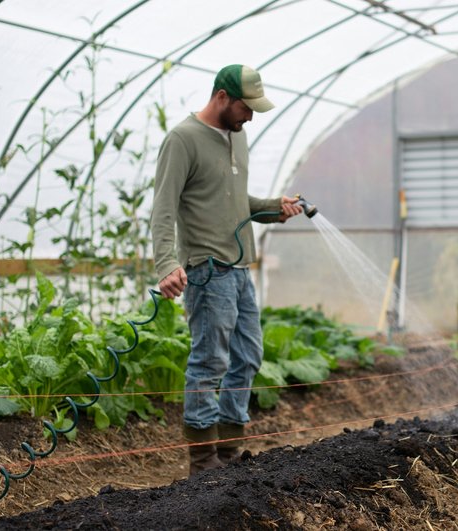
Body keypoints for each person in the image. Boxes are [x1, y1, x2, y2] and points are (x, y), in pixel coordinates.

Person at [150, 64, 303, 476]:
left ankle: (230, 456)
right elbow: (163, 208)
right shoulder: (183, 140)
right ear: (222, 97)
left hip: (239, 270)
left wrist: (275, 208)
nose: (250, 116)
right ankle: (203, 462)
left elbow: (235, 203)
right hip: (207, 271)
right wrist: (166, 264)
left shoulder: (238, 136)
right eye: (245, 107)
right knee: (209, 361)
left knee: (248, 355)